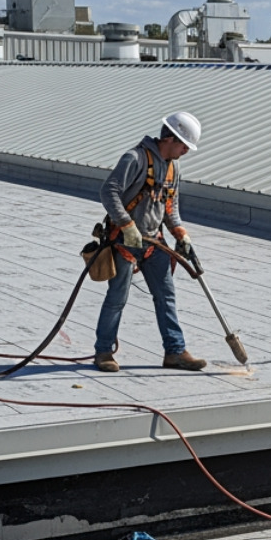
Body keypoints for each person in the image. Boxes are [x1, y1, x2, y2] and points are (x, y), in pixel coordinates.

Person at [91, 112, 206, 372]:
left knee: (166, 296)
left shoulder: (173, 166)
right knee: (117, 297)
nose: (186, 151)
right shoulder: (135, 159)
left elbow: (170, 205)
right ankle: (103, 352)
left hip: (154, 243)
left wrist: (179, 231)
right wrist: (126, 224)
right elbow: (108, 191)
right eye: (184, 145)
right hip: (124, 241)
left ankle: (175, 352)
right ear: (170, 138)